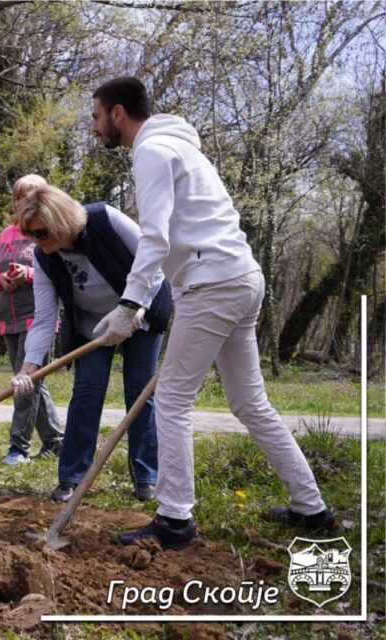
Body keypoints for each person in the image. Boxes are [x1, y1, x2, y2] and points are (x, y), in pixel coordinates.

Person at [89, 76, 338, 549]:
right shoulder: (180, 147)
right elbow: (179, 236)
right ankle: (312, 508)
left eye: (97, 117)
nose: (95, 127)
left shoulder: (151, 151)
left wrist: (130, 303)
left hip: (214, 285)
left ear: (118, 113)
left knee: (174, 399)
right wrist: (141, 302)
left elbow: (156, 237)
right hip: (240, 277)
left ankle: (174, 520)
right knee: (250, 403)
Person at [10, 185, 171, 504]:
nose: (36, 242)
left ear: (59, 221)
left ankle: (146, 477)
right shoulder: (44, 258)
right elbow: (44, 319)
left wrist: (134, 308)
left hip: (140, 310)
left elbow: (154, 264)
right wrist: (29, 369)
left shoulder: (105, 219)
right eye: (30, 235)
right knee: (86, 391)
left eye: (41, 233)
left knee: (140, 391)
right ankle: (72, 477)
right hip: (92, 325)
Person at [0, 175, 63, 466]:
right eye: (17, 197)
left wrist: (28, 274)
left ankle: (19, 447)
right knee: (32, 384)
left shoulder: (46, 231)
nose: (21, 202)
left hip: (37, 320)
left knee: (25, 385)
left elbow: (56, 273)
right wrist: (1, 279)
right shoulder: (5, 235)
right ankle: (55, 441)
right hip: (9, 319)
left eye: (28, 196)